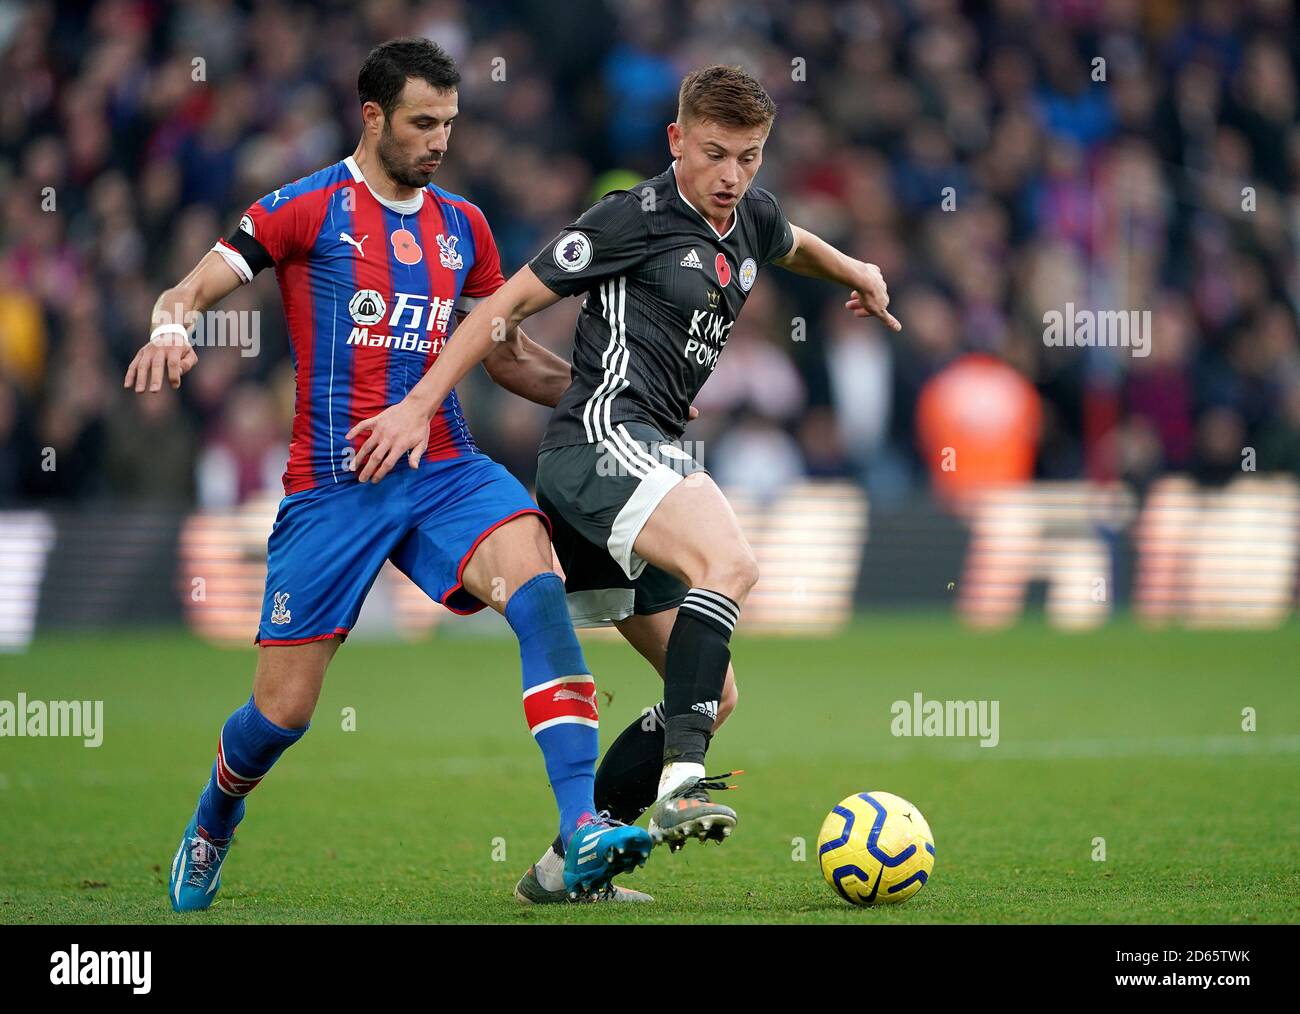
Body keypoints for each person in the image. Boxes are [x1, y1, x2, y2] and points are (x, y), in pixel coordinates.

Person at [124, 37, 654, 911]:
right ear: (372, 117)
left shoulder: (465, 227)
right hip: (334, 489)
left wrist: (608, 391)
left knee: (537, 582)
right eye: (422, 123)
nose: (440, 139)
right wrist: (174, 326)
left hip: (445, 468)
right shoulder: (303, 208)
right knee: (280, 716)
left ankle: (581, 830)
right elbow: (187, 290)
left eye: (449, 122)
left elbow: (506, 357)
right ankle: (218, 812)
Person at [345, 63, 900, 896]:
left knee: (712, 689)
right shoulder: (630, 217)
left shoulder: (750, 217)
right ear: (676, 141)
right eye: (714, 154)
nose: (730, 176)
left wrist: (856, 270)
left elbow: (794, 245)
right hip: (601, 442)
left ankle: (569, 865)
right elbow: (501, 312)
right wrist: (422, 402)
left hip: (631, 464)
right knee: (733, 566)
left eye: (749, 158)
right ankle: (681, 781)